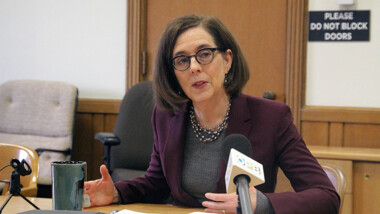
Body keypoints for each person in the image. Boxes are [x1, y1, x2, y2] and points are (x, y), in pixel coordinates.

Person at [84, 15, 340, 214]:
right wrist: (116, 193)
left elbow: (326, 196)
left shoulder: (271, 118)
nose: (194, 67)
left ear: (227, 60)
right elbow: (157, 183)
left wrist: (260, 203)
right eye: (182, 60)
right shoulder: (166, 116)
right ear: (173, 73)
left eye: (205, 54)